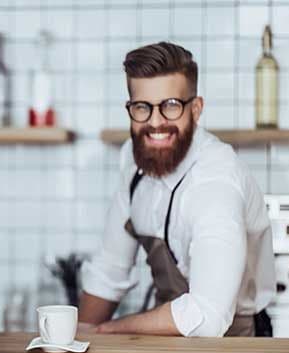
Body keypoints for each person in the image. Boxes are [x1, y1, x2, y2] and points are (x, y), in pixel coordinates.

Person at [78, 42, 275, 337]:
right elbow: (110, 270)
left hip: (234, 344)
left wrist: (107, 330)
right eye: (142, 107)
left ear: (195, 110)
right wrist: (78, 335)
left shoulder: (216, 181)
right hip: (166, 341)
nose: (155, 123)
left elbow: (207, 317)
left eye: (171, 106)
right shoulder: (132, 163)